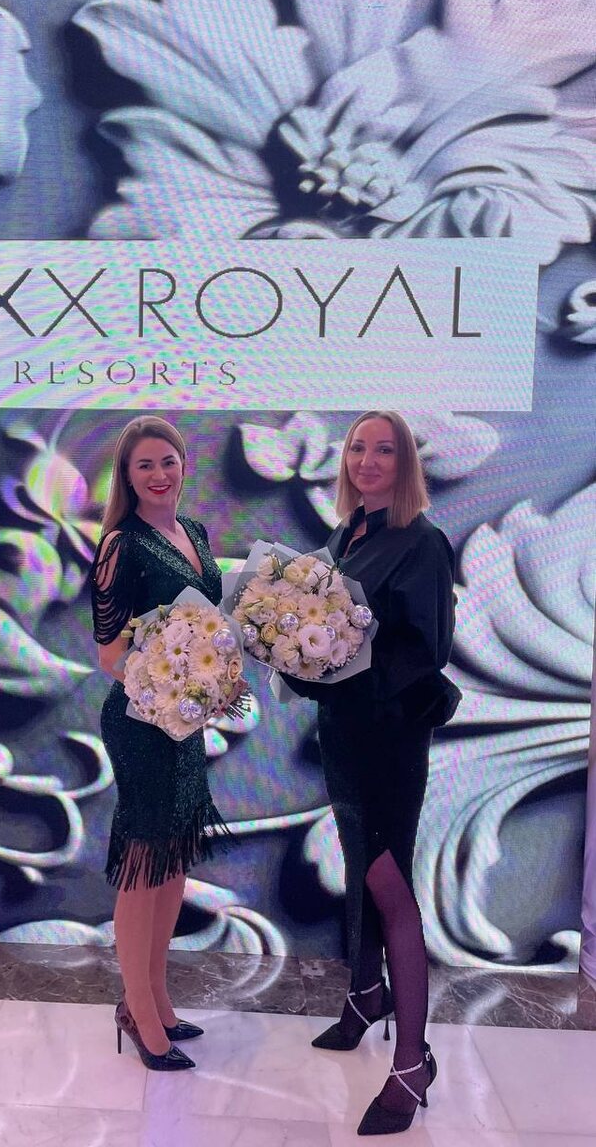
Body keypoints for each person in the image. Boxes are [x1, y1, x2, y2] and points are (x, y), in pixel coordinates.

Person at [284, 411, 458, 1136]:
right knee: (359, 867)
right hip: (344, 737)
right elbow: (325, 637)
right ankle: (365, 995)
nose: (368, 460)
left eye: (385, 450)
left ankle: (412, 1063)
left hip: (388, 740)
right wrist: (297, 654)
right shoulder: (344, 537)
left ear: (405, 463)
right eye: (358, 447)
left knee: (389, 885)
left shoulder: (421, 542)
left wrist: (339, 659)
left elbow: (425, 653)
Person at [89, 415, 233, 1072]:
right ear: (127, 475)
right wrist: (173, 690)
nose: (158, 474)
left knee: (174, 859)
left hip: (185, 722)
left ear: (183, 465)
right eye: (144, 464)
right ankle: (139, 1010)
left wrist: (209, 684)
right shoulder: (120, 545)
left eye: (167, 461)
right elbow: (109, 654)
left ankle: (158, 999)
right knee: (144, 862)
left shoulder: (195, 533)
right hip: (140, 723)